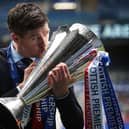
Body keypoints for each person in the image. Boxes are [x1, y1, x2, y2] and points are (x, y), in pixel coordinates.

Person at [0, 2, 84, 129]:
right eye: (34, 38)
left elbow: (75, 125)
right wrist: (22, 89)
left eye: (46, 33)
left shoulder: (55, 61)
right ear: (15, 38)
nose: (44, 44)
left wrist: (63, 94)